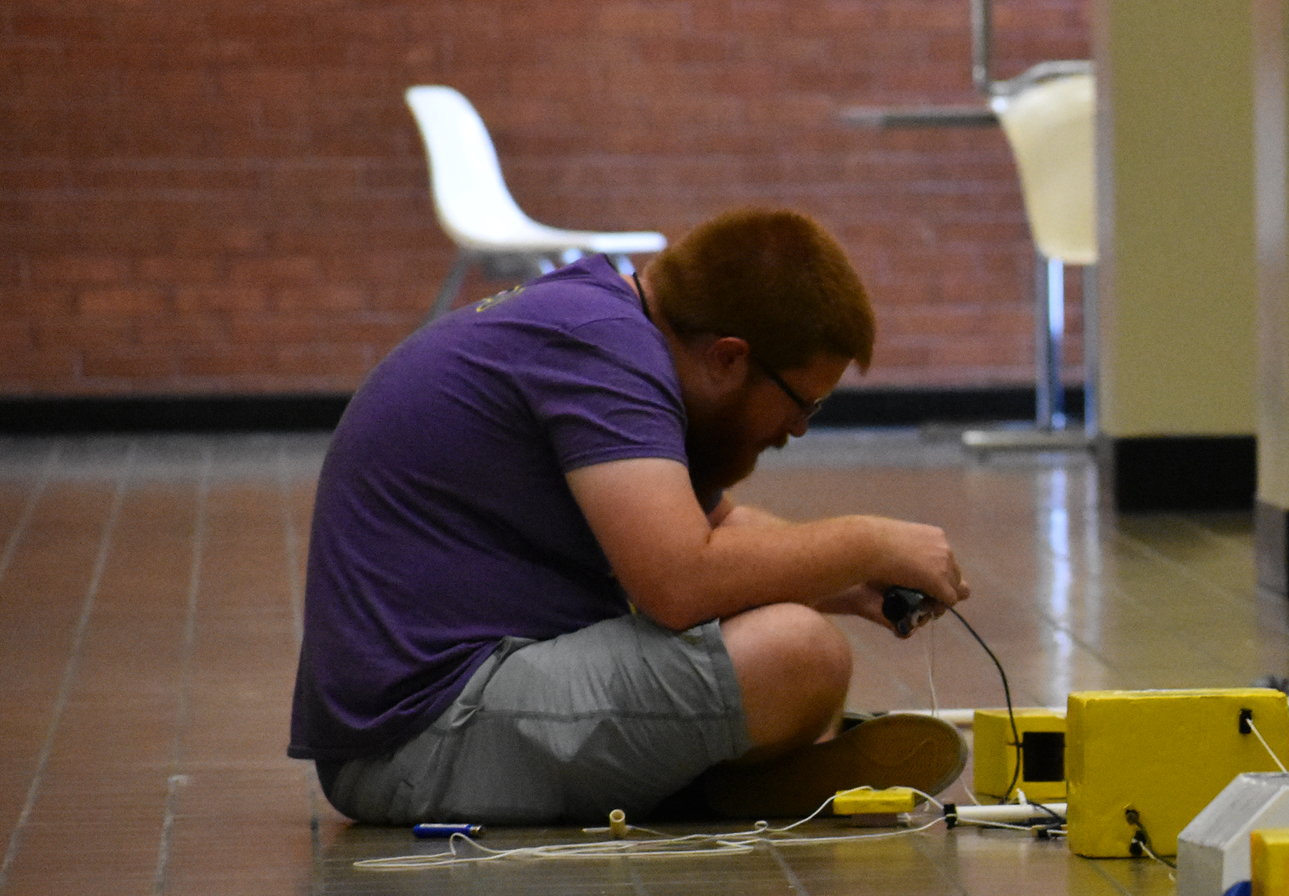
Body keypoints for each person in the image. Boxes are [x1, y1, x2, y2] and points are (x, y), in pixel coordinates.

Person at [289, 207, 971, 827]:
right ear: (729, 357)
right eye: (803, 402)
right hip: (416, 742)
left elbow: (721, 531)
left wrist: (847, 586)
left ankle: (718, 768)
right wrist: (866, 540)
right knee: (799, 654)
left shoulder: (601, 323)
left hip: (428, 716)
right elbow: (678, 581)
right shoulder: (603, 350)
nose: (797, 427)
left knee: (788, 649)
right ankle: (716, 777)